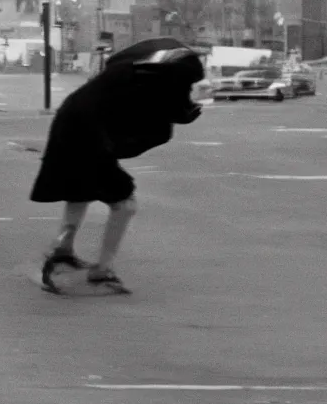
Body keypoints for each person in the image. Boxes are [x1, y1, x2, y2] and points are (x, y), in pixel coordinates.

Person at [30, 39, 205, 295]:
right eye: (187, 87)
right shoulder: (149, 83)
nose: (187, 93)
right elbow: (158, 118)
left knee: (79, 192)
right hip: (87, 133)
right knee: (124, 202)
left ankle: (62, 251)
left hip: (71, 122)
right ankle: (101, 271)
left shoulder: (130, 72)